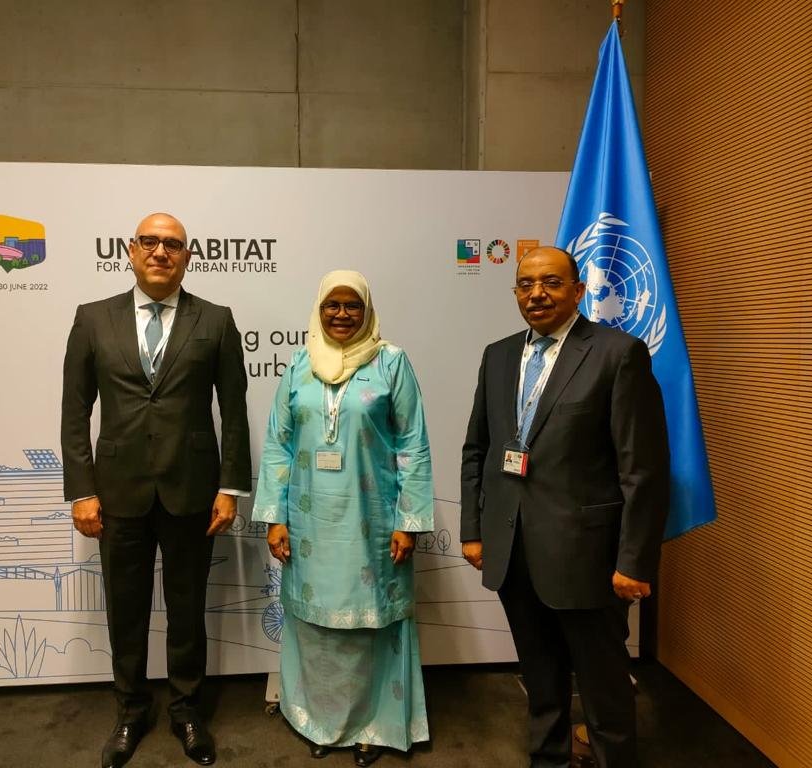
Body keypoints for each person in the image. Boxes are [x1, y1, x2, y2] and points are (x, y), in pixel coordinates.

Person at [460, 246, 669, 768]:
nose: (537, 294)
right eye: (526, 284)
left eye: (551, 283)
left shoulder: (617, 354)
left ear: (577, 292)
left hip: (587, 557)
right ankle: (548, 759)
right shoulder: (498, 355)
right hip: (513, 549)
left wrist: (634, 561)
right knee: (540, 677)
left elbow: (642, 468)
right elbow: (477, 450)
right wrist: (473, 530)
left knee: (603, 687)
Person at [61, 212, 251, 768]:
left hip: (192, 491)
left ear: (187, 256)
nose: (160, 251)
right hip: (117, 494)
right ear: (131, 250)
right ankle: (130, 711)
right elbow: (75, 411)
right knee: (126, 611)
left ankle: (187, 710)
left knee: (187, 608)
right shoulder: (92, 319)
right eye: (150, 241)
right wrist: (81, 490)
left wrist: (230, 487)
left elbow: (234, 412)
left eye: (172, 244)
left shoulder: (215, 320)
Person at [252, 270, 432, 767]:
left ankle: (374, 725)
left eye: (353, 305)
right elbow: (278, 444)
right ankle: (319, 721)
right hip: (309, 523)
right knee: (316, 626)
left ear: (367, 311)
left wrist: (408, 520)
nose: (342, 314)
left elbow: (413, 445)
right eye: (332, 305)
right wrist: (274, 517)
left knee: (369, 624)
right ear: (319, 309)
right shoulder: (299, 364)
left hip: (373, 522)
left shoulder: (391, 362)